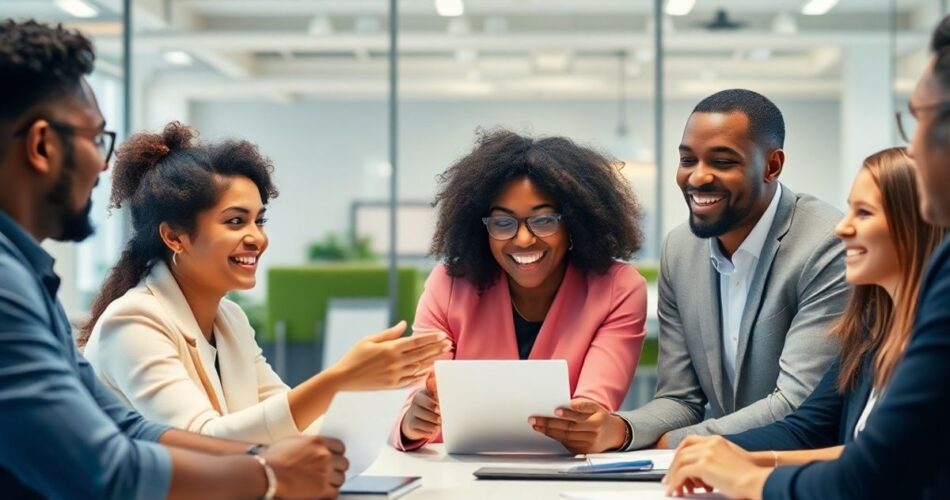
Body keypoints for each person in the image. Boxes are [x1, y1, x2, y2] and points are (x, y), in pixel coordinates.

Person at [0, 19, 345, 499]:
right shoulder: (7, 288)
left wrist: (261, 460)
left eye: (258, 221)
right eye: (96, 139)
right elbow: (103, 469)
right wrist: (267, 476)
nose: (104, 164)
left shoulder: (27, 279)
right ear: (42, 145)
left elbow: (128, 429)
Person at [663, 17, 950, 499]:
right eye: (689, 159)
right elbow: (817, 431)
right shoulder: (872, 324)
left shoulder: (830, 252)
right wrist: (722, 454)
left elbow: (873, 468)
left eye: (920, 120)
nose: (843, 226)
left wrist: (750, 477)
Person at [79, 121, 451, 443]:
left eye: (260, 220)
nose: (257, 237)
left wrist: (399, 422)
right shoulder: (132, 323)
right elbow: (200, 441)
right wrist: (341, 378)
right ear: (175, 237)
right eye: (235, 222)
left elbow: (293, 424)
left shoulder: (230, 321)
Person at [531, 89, 848, 453]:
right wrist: (619, 429)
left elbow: (796, 405)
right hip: (718, 474)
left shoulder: (826, 244)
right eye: (687, 160)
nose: (697, 178)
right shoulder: (681, 249)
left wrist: (675, 443)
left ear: (772, 166)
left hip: (803, 473)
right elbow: (680, 399)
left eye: (722, 162)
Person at [395, 129, 648, 451]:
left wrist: (592, 426)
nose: (524, 239)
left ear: (575, 224)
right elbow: (419, 400)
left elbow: (592, 410)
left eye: (544, 220)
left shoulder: (618, 289)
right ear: (480, 228)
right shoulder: (447, 284)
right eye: (503, 223)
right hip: (457, 476)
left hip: (565, 475)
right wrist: (413, 422)